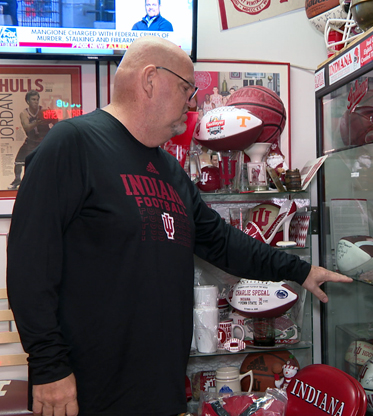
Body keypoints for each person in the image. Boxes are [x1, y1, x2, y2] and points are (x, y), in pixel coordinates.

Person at [6, 35, 352, 416]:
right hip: (88, 388)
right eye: (187, 88)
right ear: (150, 80)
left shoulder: (169, 170)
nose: (193, 102)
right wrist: (49, 364)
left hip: (161, 385)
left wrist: (300, 269)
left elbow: (222, 243)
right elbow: (29, 264)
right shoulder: (72, 144)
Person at [9, 90, 55, 190]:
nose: (36, 101)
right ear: (28, 101)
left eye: (37, 99)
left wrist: (53, 117)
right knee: (18, 161)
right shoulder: (24, 113)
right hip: (31, 141)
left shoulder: (43, 111)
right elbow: (26, 127)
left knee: (48, 161)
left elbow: (55, 123)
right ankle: (17, 180)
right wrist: (37, 122)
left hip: (43, 141)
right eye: (33, 99)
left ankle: (49, 180)